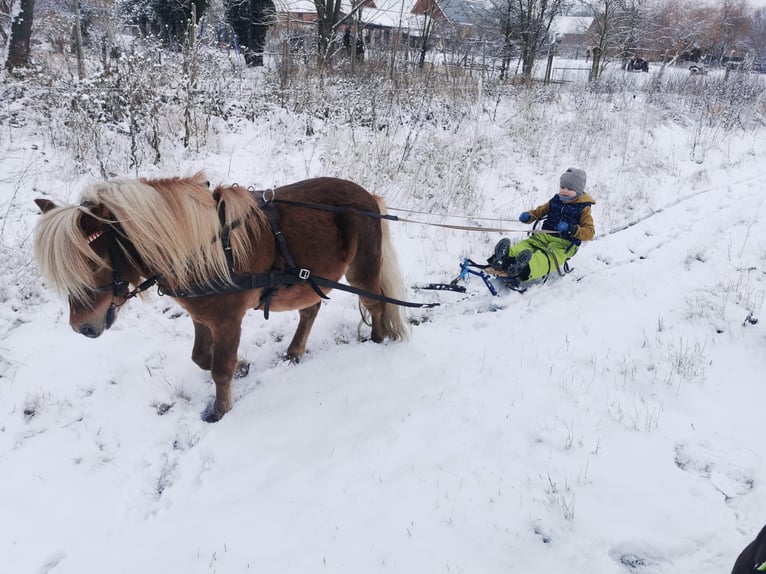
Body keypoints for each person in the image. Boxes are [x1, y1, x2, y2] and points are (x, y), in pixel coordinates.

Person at [489, 167, 596, 286]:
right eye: (562, 187)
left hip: (564, 244)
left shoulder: (583, 208)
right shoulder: (555, 200)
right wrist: (529, 216)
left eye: (570, 188)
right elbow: (539, 211)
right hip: (542, 236)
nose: (565, 190)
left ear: (579, 190)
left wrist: (572, 228)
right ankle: (502, 259)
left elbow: (590, 233)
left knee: (544, 257)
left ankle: (523, 268)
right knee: (525, 246)